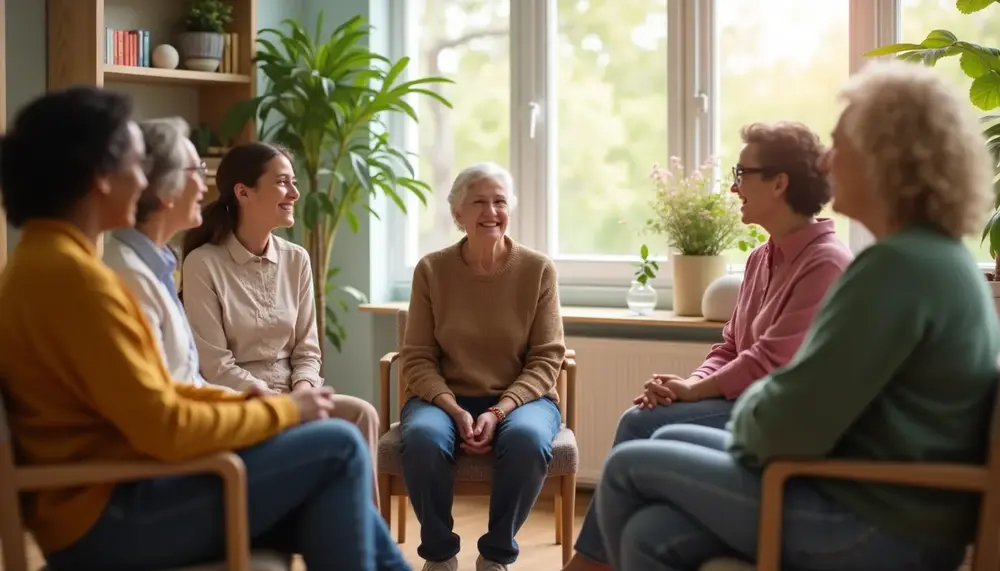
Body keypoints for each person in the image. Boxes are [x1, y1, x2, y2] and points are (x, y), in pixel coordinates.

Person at [595, 59, 999, 571]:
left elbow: (787, 420)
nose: (826, 164)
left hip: (876, 522)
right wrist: (754, 399)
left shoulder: (896, 269)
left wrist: (751, 403)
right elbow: (792, 391)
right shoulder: (929, 257)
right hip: (871, 496)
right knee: (654, 528)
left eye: (840, 145)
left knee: (631, 463)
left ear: (885, 156)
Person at [0, 86, 409, 571]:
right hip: (110, 518)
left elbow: (161, 394)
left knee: (330, 494)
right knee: (339, 447)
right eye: (135, 163)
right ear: (100, 178)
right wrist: (280, 412)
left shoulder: (48, 265)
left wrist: (260, 404)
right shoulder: (77, 282)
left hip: (120, 496)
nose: (149, 180)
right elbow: (166, 424)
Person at [564, 122, 853, 571]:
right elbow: (732, 345)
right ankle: (608, 558)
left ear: (780, 183)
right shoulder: (761, 257)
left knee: (639, 424)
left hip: (775, 418)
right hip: (740, 403)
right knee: (646, 417)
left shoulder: (827, 262)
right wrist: (691, 381)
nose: (734, 187)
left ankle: (590, 564)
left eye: (743, 173)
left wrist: (693, 393)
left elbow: (771, 363)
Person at [180, 142, 381, 505]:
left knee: (361, 414)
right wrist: (280, 405)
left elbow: (307, 348)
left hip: (296, 392)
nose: (295, 192)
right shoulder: (202, 264)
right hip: (239, 401)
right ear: (243, 192)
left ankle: (366, 536)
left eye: (293, 182)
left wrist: (302, 392)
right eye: (283, 182)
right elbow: (214, 365)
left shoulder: (296, 259)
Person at [399, 162, 565, 571]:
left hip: (523, 400)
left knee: (527, 440)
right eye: (479, 202)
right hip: (444, 398)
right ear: (457, 214)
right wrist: (453, 407)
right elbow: (417, 355)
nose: (491, 211)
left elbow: (547, 357)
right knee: (421, 439)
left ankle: (496, 555)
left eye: (499, 202)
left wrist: (499, 410)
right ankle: (439, 555)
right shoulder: (431, 269)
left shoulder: (538, 269)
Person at [103, 117, 220, 388]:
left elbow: (190, 382)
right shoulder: (129, 277)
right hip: (188, 426)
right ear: (168, 189)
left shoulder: (159, 267)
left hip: (202, 416)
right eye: (198, 171)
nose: (204, 186)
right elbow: (161, 403)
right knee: (336, 430)